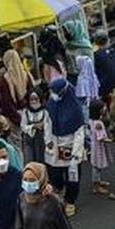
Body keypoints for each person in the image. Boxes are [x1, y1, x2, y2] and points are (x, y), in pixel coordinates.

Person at [14, 161, 83, 229]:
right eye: (25, 180)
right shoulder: (22, 199)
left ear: (41, 179)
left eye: (32, 180)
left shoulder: (53, 201)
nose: (28, 183)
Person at [43, 78, 86, 217]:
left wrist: (76, 152)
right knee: (55, 173)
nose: (53, 95)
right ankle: (59, 194)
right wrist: (48, 141)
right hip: (54, 144)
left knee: (72, 177)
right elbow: (47, 124)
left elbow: (79, 132)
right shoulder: (50, 104)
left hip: (71, 145)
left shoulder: (75, 108)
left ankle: (70, 201)